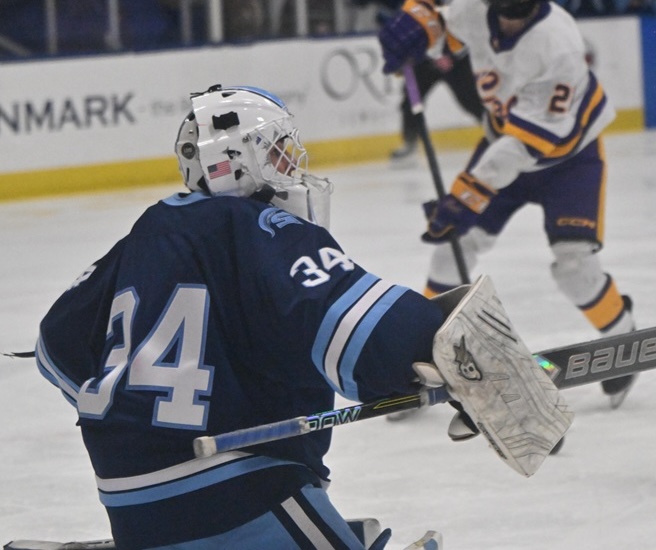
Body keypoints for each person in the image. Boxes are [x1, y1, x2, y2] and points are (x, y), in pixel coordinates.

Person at [32, 85, 570, 548]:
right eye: (280, 152)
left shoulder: (146, 233)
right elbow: (363, 329)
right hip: (233, 493)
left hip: (127, 501)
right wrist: (453, 357)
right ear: (239, 159)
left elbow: (55, 346)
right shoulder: (259, 227)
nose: (292, 166)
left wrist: (136, 410)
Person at [377, 0, 638, 408]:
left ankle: (624, 337)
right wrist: (417, 27)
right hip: (503, 143)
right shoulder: (477, 10)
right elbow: (440, 25)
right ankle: (424, 355)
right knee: (451, 249)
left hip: (568, 160)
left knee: (575, 268)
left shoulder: (558, 43)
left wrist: (464, 196)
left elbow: (524, 146)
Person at [351, 0, 485, 164]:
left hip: (452, 58)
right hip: (423, 59)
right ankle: (410, 142)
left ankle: (494, 129)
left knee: (470, 99)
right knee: (411, 100)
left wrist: (448, 54)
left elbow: (459, 23)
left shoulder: (454, 7)